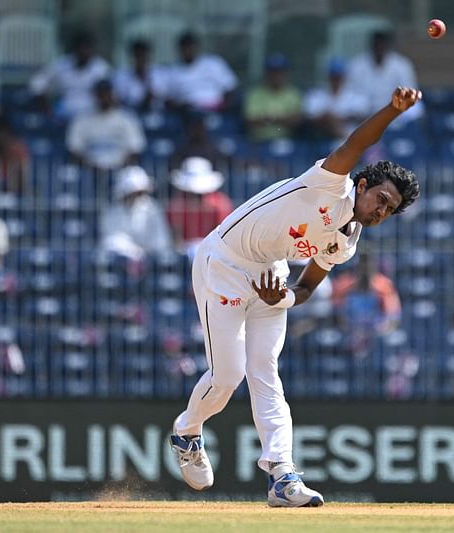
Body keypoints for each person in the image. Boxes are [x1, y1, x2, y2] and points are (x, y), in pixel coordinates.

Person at [168, 87, 421, 507]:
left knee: (266, 374)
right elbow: (358, 142)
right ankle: (187, 430)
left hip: (271, 279)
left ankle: (282, 477)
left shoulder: (345, 241)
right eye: (380, 199)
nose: (380, 211)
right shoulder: (329, 184)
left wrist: (282, 298)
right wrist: (392, 111)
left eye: (388, 210)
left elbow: (307, 288)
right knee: (228, 377)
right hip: (224, 264)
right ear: (361, 186)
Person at [330, 247, 401, 358]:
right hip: (349, 329)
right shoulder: (344, 284)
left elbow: (393, 318)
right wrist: (351, 327)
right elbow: (335, 313)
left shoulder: (384, 286)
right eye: (362, 267)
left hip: (374, 332)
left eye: (368, 267)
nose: (365, 270)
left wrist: (376, 329)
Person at [66, 79, 146, 172]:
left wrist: (120, 166)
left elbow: (136, 149)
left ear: (113, 95)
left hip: (121, 170)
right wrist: (89, 166)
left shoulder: (127, 119)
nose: (104, 97)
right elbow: (74, 149)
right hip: (88, 171)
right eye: (100, 94)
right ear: (94, 96)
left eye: (107, 93)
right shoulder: (81, 120)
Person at [99, 166, 174, 262]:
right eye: (135, 192)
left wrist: (145, 253)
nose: (139, 196)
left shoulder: (153, 208)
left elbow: (161, 240)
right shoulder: (111, 212)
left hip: (150, 261)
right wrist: (134, 251)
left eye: (141, 192)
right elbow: (112, 241)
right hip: (119, 262)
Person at [344, 31, 422, 123]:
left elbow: (410, 92)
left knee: (416, 109)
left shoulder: (402, 65)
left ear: (387, 46)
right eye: (377, 45)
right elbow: (349, 93)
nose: (379, 48)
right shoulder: (357, 65)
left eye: (382, 45)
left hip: (394, 113)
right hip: (364, 116)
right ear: (372, 46)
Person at [29, 31, 110, 119]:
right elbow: (37, 82)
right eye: (81, 48)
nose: (84, 52)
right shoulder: (62, 65)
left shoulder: (101, 68)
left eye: (87, 48)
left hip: (91, 116)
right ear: (74, 50)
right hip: (64, 115)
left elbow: (111, 94)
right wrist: (45, 105)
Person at [166, 156, 233, 256]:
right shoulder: (176, 205)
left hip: (215, 253)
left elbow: (225, 236)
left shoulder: (221, 205)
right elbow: (175, 237)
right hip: (182, 255)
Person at [166, 32, 238, 112]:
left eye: (190, 47)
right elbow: (168, 98)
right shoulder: (172, 70)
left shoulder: (213, 63)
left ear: (197, 47)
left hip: (214, 110)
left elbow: (230, 88)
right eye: (185, 48)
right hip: (186, 113)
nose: (188, 51)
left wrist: (225, 108)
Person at [303, 58, 371, 140]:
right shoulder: (317, 94)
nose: (336, 80)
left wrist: (338, 118)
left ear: (344, 77)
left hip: (352, 136)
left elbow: (363, 116)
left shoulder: (355, 95)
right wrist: (330, 119)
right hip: (324, 140)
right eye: (333, 76)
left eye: (338, 76)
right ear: (328, 76)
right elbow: (311, 118)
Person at [244, 53, 302, 142]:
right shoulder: (256, 94)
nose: (276, 76)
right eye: (273, 72)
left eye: (280, 72)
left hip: (287, 141)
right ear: (266, 73)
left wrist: (269, 118)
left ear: (286, 73)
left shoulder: (293, 93)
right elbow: (250, 121)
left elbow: (295, 121)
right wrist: (281, 119)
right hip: (258, 141)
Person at [113, 39, 169, 112]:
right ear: (133, 57)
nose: (141, 59)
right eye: (138, 55)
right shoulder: (123, 77)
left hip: (158, 115)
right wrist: (143, 102)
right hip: (134, 116)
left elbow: (165, 99)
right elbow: (122, 103)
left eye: (144, 55)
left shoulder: (159, 74)